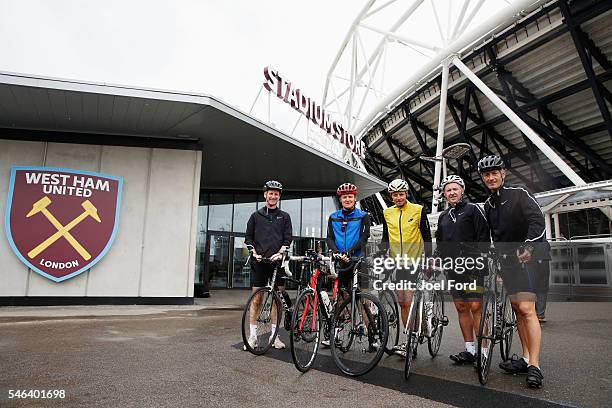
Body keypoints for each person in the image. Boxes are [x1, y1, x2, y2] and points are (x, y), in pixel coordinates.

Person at [478, 155, 548, 388]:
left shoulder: (519, 194)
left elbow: (537, 221)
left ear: (503, 173)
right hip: (506, 262)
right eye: (486, 175)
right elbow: (494, 236)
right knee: (518, 309)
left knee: (528, 309)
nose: (490, 177)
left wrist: (528, 245)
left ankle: (535, 366)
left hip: (526, 259)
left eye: (494, 173)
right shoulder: (488, 205)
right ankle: (526, 359)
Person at [434, 175, 490, 366]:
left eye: (455, 189)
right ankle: (469, 350)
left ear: (462, 190)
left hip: (473, 265)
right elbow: (440, 243)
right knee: (461, 307)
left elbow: (484, 235)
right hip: (453, 268)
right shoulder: (443, 216)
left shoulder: (473, 209)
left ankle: (483, 351)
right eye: (448, 190)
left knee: (476, 306)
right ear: (444, 194)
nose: (452, 193)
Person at [378, 179, 432, 357]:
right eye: (395, 195)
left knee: (407, 300)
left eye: (401, 194)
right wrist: (380, 254)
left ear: (406, 194)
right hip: (397, 263)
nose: (398, 197)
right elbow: (386, 238)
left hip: (414, 261)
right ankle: (409, 336)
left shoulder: (418, 210)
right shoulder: (387, 213)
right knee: (402, 302)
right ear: (391, 196)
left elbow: (426, 236)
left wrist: (429, 259)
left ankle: (412, 341)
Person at [244, 180, 293, 350]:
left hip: (277, 263)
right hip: (259, 262)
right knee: (256, 299)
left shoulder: (284, 216)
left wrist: (280, 252)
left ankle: (274, 336)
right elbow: (248, 238)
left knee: (276, 300)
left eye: (276, 194)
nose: (273, 196)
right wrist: (254, 252)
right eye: (270, 193)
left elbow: (288, 238)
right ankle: (253, 337)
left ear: (279, 196)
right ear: (265, 194)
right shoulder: (256, 216)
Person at [323, 182, 371, 346]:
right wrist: (337, 252)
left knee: (363, 300)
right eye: (345, 197)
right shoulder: (333, 217)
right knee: (342, 299)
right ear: (341, 199)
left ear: (355, 198)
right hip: (341, 262)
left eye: (350, 197)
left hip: (358, 261)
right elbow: (329, 238)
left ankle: (372, 334)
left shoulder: (363, 216)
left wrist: (349, 253)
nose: (348, 199)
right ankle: (336, 334)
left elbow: (364, 238)